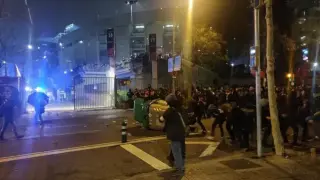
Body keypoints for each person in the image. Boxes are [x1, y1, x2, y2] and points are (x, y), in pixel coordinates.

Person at [163, 94, 186, 175]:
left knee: (176, 152)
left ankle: (179, 169)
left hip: (174, 134)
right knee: (182, 151)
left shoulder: (170, 111)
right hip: (182, 132)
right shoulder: (181, 108)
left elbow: (163, 117)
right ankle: (181, 167)